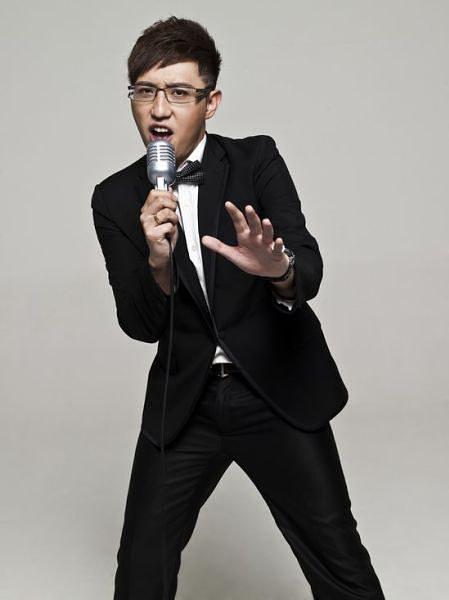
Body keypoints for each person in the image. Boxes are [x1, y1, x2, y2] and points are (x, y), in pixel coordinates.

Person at [91, 16, 385, 600]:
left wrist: (277, 269)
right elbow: (139, 324)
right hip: (185, 403)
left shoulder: (256, 160)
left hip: (273, 391)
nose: (159, 109)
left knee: (339, 561)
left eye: (179, 92)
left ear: (212, 101)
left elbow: (308, 269)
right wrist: (157, 261)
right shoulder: (115, 197)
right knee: (140, 570)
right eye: (145, 91)